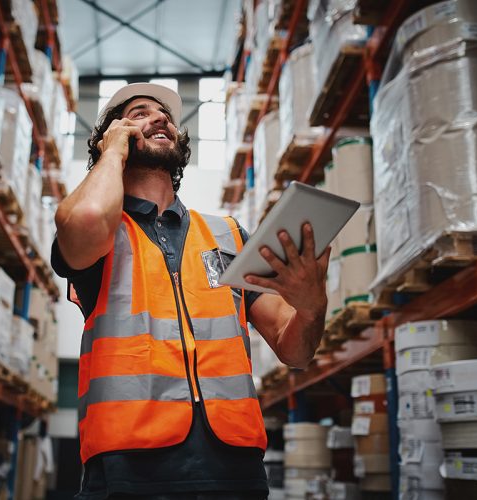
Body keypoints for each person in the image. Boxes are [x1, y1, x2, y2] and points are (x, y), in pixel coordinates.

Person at [51, 83, 330, 500]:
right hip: (129, 469)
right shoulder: (103, 232)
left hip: (235, 470)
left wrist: (312, 307)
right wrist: (111, 153)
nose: (160, 118)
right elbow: (89, 216)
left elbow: (296, 351)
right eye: (140, 113)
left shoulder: (229, 235)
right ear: (114, 133)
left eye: (164, 115)